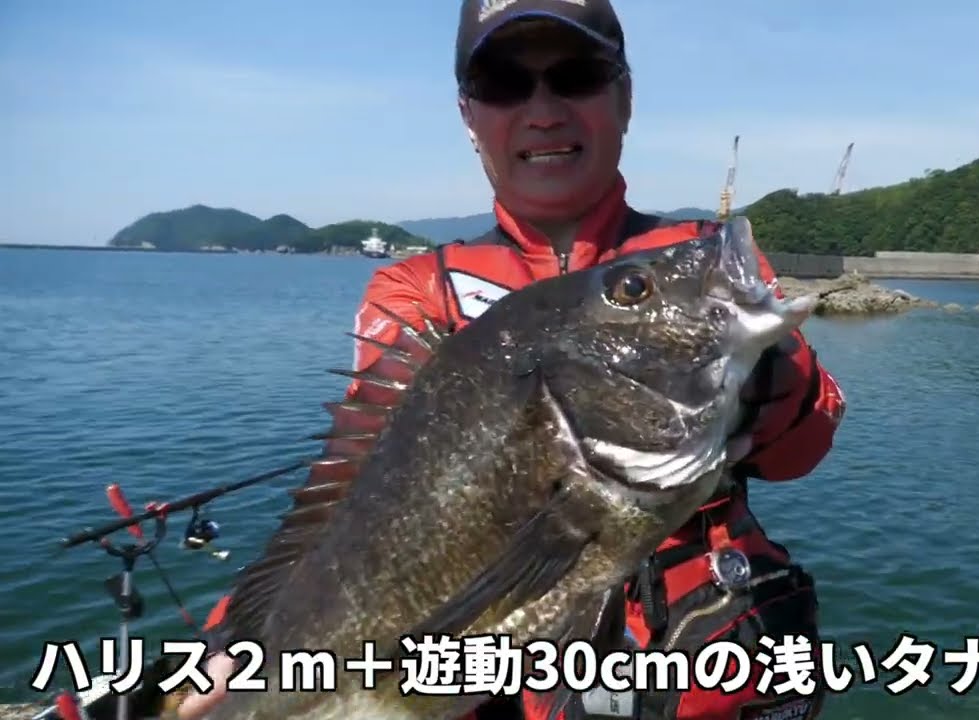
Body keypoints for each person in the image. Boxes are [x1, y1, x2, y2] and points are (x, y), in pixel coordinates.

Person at [179, 1, 847, 719]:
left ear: (624, 99)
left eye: (576, 75)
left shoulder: (692, 256)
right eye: (504, 83)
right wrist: (239, 641)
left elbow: (801, 450)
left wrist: (783, 379)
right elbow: (356, 498)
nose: (543, 110)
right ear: (470, 117)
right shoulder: (413, 292)